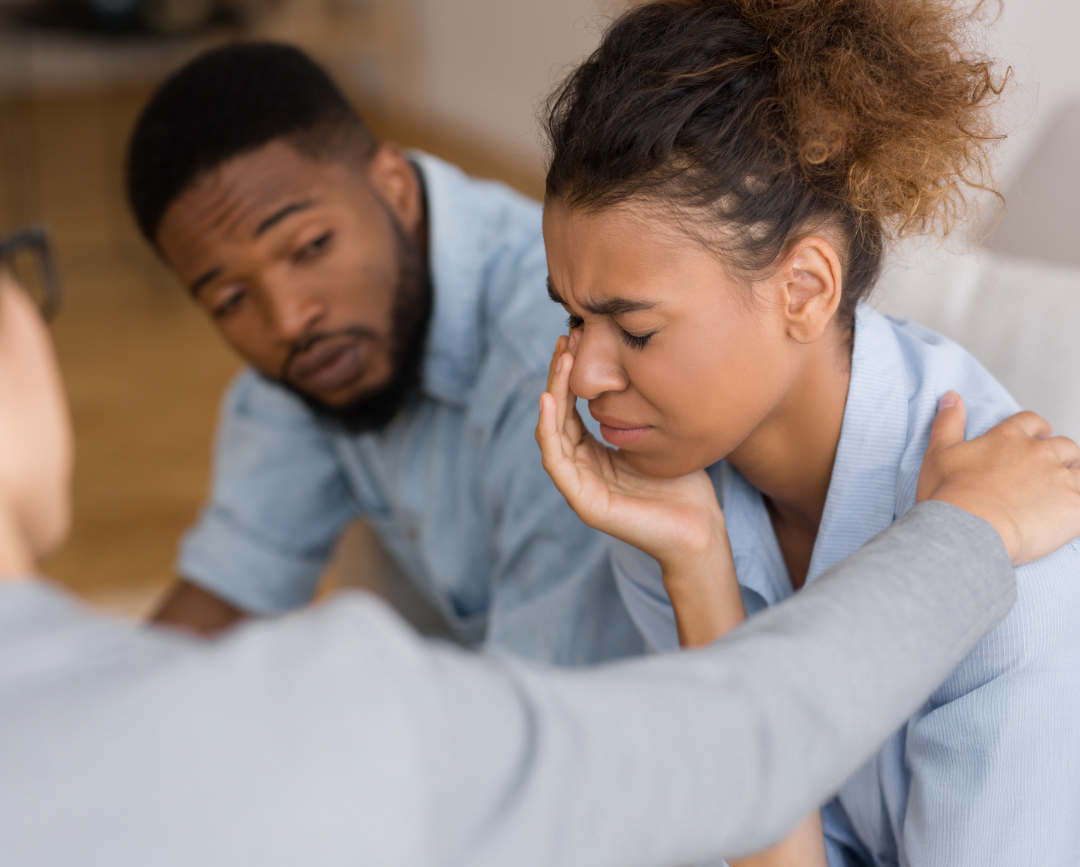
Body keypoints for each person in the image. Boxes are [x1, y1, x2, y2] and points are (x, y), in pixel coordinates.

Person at [2, 230, 1080, 867]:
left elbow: (738, 766)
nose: (588, 374)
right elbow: (741, 750)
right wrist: (968, 536)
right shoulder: (296, 718)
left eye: (632, 330)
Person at [535, 0, 1080, 866]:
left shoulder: (1020, 573)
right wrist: (697, 569)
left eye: (636, 329)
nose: (584, 376)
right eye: (572, 318)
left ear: (803, 289)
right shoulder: (669, 481)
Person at [124, 41, 642, 662]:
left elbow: (553, 711)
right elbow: (229, 592)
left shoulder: (557, 364)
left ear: (394, 187)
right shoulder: (318, 351)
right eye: (230, 298)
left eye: (311, 246)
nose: (288, 319)